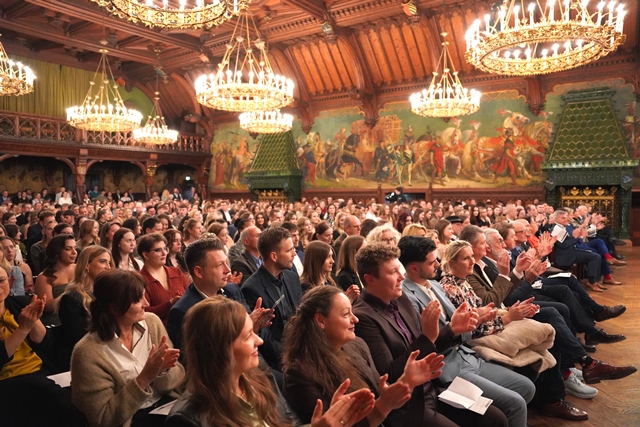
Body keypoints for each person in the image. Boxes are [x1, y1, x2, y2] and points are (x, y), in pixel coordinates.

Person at [352, 243, 509, 427]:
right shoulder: (363, 317)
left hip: (433, 388)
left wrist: (452, 330)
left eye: (399, 269)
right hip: (409, 404)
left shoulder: (399, 298)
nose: (402, 276)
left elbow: (430, 345)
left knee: (496, 419)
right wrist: (427, 338)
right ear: (370, 279)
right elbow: (390, 374)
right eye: (393, 272)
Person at [166, 297, 375, 427]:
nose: (259, 340)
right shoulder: (187, 419)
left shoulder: (258, 374)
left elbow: (289, 423)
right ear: (221, 347)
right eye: (248, 336)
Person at [283, 286, 444, 426]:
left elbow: (381, 396)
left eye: (352, 312)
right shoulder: (300, 373)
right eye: (346, 314)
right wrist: (385, 404)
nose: (355, 319)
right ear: (321, 320)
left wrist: (407, 382)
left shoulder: (356, 344)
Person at [71, 270, 184, 427]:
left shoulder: (152, 323)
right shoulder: (88, 352)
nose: (147, 304)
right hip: (131, 420)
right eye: (138, 300)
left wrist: (162, 371)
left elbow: (179, 377)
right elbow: (103, 418)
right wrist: (144, 378)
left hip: (166, 407)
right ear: (115, 309)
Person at [0, 265, 86, 427]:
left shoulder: (20, 303)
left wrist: (34, 321)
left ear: (10, 282)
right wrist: (23, 329)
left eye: (1, 281)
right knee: (54, 398)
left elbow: (46, 343)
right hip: (8, 380)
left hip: (40, 372)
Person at [241, 227, 303, 369]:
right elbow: (265, 339)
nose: (294, 253)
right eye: (289, 250)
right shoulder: (251, 288)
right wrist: (292, 357)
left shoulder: (292, 277)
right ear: (274, 256)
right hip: (279, 361)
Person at [58, 246, 113, 369]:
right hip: (87, 359)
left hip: (110, 350)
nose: (108, 267)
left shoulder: (109, 293)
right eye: (103, 262)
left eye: (109, 263)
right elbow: (79, 340)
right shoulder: (71, 298)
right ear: (87, 265)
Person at [138, 234, 189, 324]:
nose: (164, 253)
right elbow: (145, 313)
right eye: (158, 250)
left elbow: (190, 295)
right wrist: (170, 303)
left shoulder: (176, 272)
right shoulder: (139, 280)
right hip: (160, 329)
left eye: (165, 249)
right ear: (145, 255)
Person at [34, 234, 77, 326]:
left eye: (75, 248)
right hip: (57, 321)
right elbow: (46, 306)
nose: (74, 252)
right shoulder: (44, 277)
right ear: (57, 251)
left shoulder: (80, 269)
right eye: (68, 249)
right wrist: (73, 297)